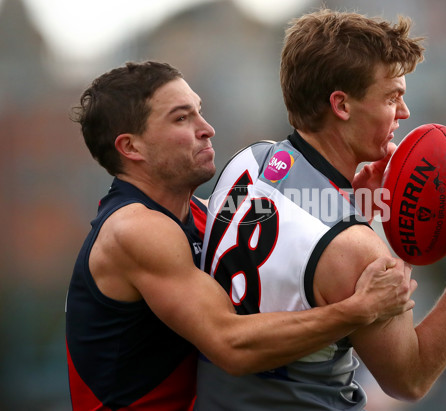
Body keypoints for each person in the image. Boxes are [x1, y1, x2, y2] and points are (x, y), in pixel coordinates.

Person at [65, 61, 418, 410]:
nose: (207, 129)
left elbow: (289, 231)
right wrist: (358, 310)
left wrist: (353, 203)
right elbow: (231, 346)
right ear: (131, 147)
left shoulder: (204, 212)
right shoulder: (136, 229)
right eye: (181, 118)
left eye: (199, 112)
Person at [195, 8, 446, 410]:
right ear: (341, 104)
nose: (403, 113)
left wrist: (356, 210)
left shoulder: (245, 163)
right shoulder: (355, 250)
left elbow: (293, 233)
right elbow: (410, 377)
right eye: (392, 97)